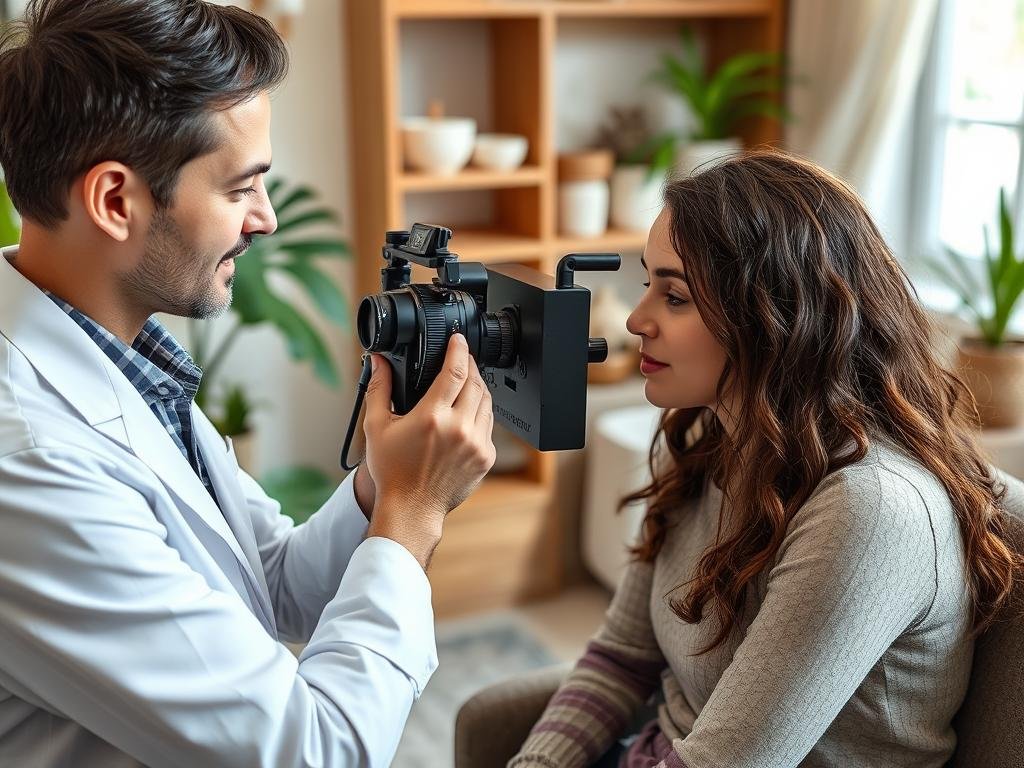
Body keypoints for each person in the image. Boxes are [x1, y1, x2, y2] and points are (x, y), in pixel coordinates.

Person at [0, 1, 495, 766]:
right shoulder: (29, 464)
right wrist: (412, 514)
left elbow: (269, 583)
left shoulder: (119, 357)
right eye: (241, 188)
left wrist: (381, 483)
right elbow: (314, 751)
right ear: (114, 201)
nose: (265, 219)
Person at [510, 151, 1023, 768]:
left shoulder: (870, 513)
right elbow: (622, 655)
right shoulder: (712, 440)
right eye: (648, 283)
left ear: (773, 316)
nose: (637, 318)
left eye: (674, 296)